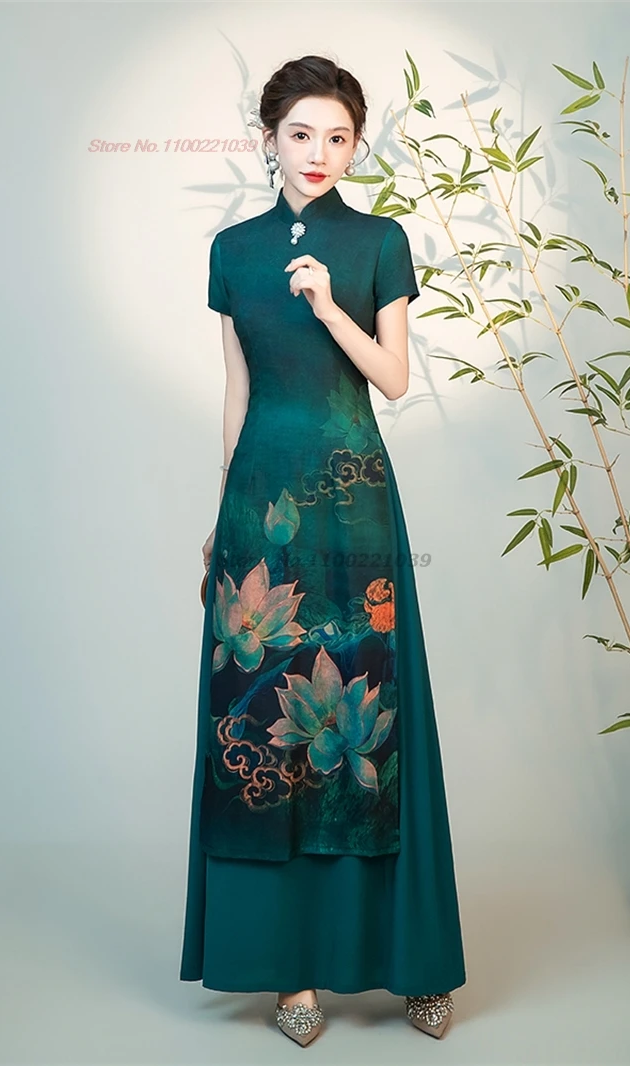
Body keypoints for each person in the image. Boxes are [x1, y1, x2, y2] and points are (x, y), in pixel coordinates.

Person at [179, 54, 466, 1046]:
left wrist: (329, 304)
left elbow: (392, 377)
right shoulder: (232, 250)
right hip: (261, 502)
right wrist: (222, 513)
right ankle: (287, 971)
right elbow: (237, 394)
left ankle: (410, 961)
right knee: (267, 724)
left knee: (370, 723)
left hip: (354, 504)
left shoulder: (378, 240)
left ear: (355, 145)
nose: (317, 152)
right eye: (299, 134)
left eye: (337, 137)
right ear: (268, 139)